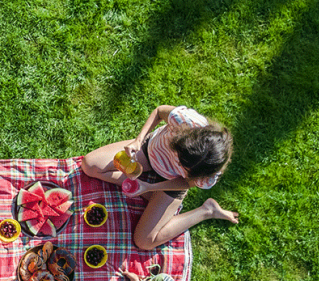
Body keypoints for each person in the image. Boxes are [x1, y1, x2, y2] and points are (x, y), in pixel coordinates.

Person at [82, 105, 240, 250]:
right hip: (149, 152)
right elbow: (159, 112)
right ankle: (152, 198)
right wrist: (138, 141)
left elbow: (185, 182)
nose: (177, 164)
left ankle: (207, 210)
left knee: (144, 241)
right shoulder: (185, 121)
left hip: (171, 183)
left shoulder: (207, 176)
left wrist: (150, 187)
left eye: (185, 169)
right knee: (90, 165)